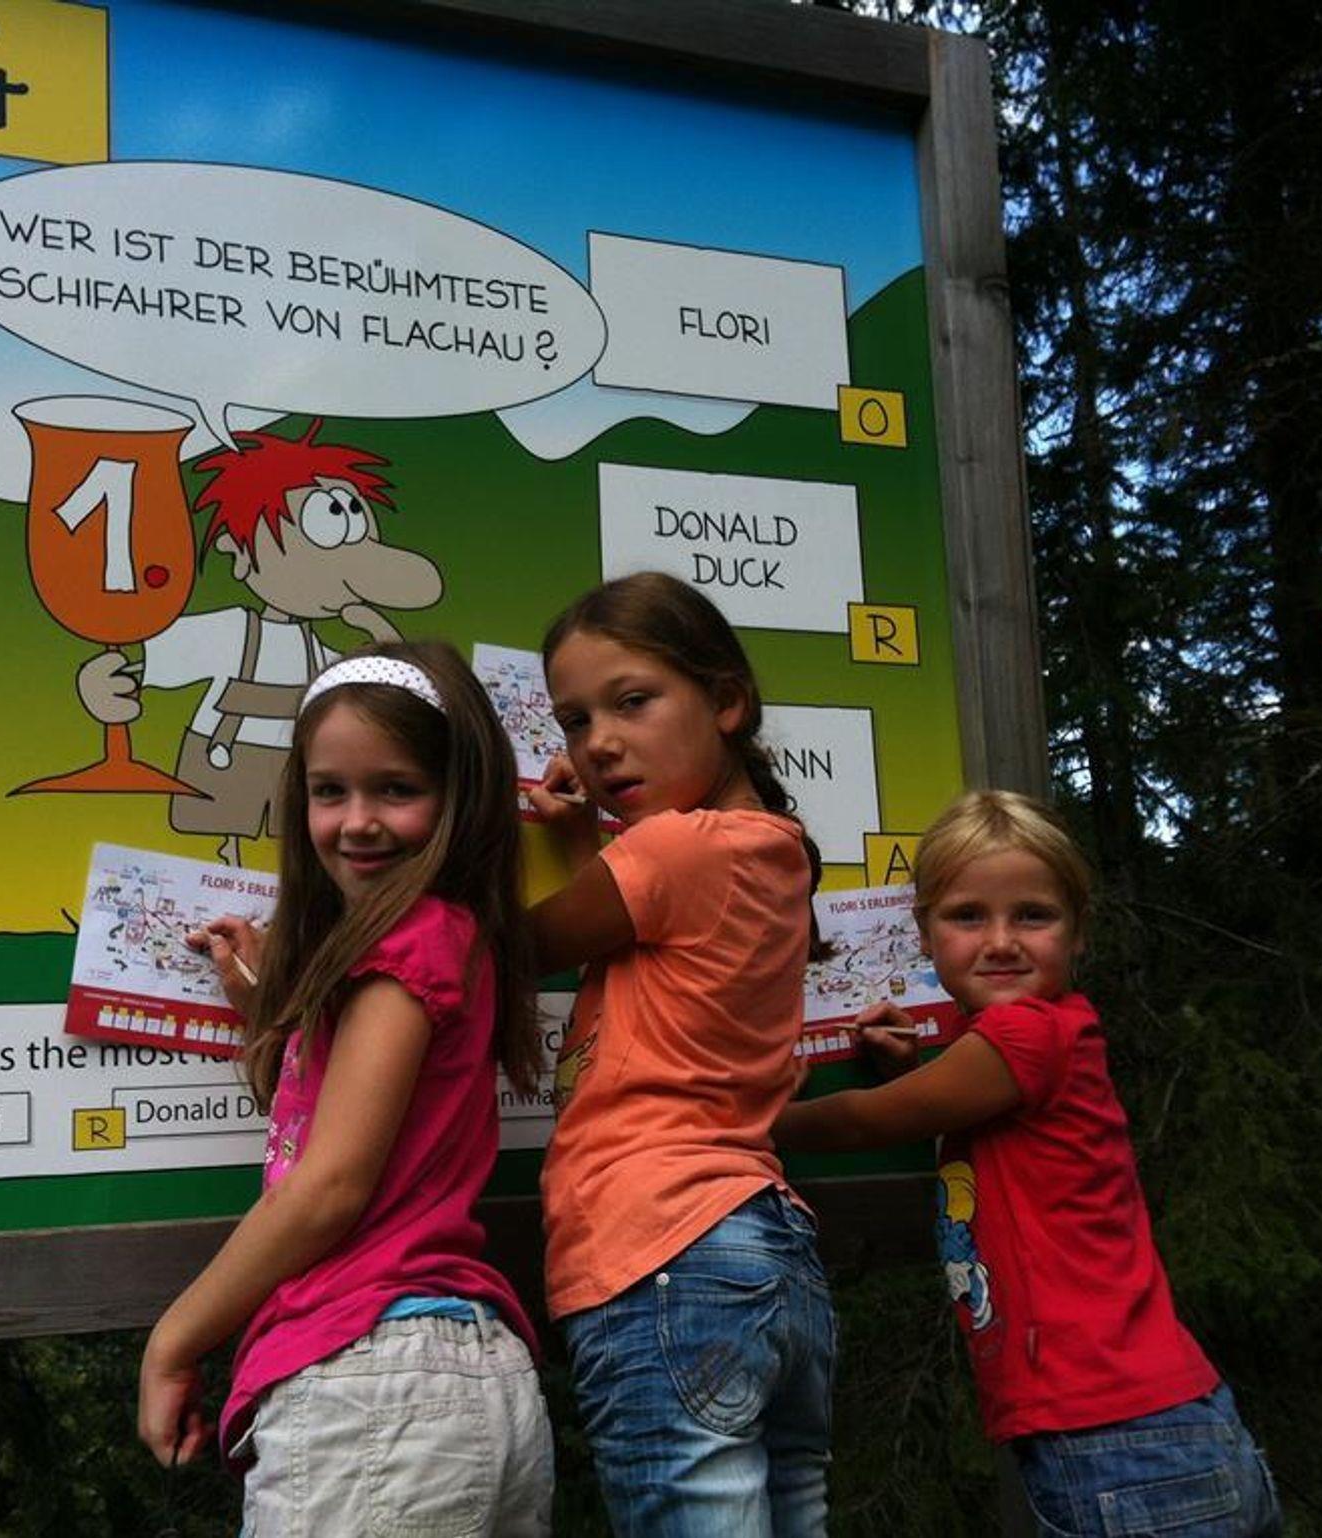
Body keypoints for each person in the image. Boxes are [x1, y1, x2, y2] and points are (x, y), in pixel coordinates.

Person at [773, 789, 1282, 1537]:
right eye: (968, 916)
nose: (1001, 941)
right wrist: (908, 1068)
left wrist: (757, 1116)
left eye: (1033, 916)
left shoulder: (1029, 1036)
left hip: (1121, 1444)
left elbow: (871, 1120)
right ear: (924, 933)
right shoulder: (1023, 1046)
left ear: (1079, 932)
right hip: (1155, 1432)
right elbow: (960, 1117)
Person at [137, 640, 553, 1534]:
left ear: (460, 795)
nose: (357, 822)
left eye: (395, 789)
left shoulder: (404, 946)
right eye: (330, 791)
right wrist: (271, 1010)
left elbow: (329, 1185)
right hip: (458, 1379)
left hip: (374, 1382)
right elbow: (353, 1111)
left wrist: (174, 1341)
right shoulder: (451, 940)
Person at [524, 571, 834, 1537]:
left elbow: (514, 944)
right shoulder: (765, 852)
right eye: (575, 720)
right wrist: (587, 843)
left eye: (633, 702)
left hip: (659, 1246)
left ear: (727, 701)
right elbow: (638, 934)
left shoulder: (677, 852)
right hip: (765, 1248)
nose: (598, 743)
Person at [78, 420, 444, 862]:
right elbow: (137, 662)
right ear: (240, 552)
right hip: (224, 755)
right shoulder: (232, 631)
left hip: (294, 769)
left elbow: (382, 702)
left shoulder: (321, 654)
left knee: (286, 850)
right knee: (224, 845)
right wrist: (102, 684)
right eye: (326, 527)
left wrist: (381, 634)